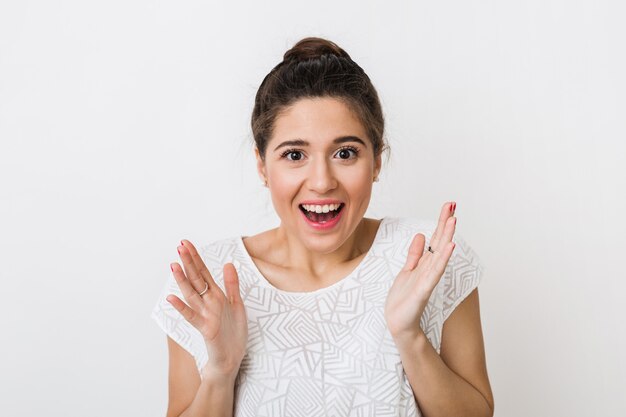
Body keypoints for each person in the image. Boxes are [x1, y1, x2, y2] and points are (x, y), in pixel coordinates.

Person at [152, 37, 494, 417]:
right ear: (263, 166)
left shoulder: (429, 256)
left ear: (377, 161)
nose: (321, 181)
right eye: (294, 155)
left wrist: (409, 336)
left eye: (345, 153)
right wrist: (221, 369)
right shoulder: (208, 279)